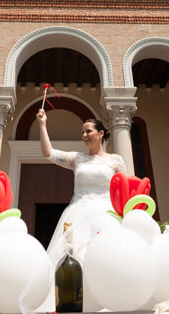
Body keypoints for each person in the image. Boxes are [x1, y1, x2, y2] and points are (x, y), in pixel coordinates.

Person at [37, 108, 126, 310]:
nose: (84, 135)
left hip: (107, 214)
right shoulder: (77, 158)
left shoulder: (116, 160)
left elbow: (124, 189)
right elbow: (48, 153)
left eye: (88, 131)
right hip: (78, 211)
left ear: (101, 133)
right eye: (83, 133)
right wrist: (42, 125)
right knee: (72, 254)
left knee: (107, 256)